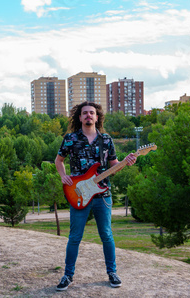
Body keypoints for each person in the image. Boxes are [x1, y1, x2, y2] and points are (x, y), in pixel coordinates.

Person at [54, 101, 137, 291]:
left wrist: (125, 162)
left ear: (97, 117)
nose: (88, 115)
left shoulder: (106, 140)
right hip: (79, 193)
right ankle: (68, 275)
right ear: (80, 117)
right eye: (85, 113)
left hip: (103, 195)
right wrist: (63, 176)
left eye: (92, 113)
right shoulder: (70, 139)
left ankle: (112, 273)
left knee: (107, 235)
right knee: (74, 237)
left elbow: (113, 166)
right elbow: (59, 160)